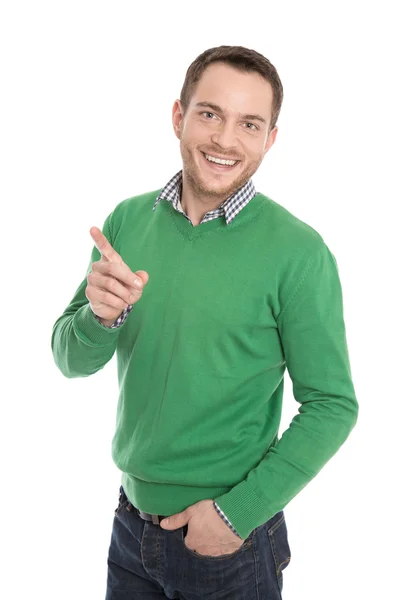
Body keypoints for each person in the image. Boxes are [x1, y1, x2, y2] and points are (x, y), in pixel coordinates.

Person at [51, 45, 359, 599]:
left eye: (249, 124)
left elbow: (333, 404)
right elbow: (71, 359)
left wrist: (237, 514)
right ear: (179, 116)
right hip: (129, 528)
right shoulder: (127, 219)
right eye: (210, 114)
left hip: (229, 547)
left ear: (270, 139)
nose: (224, 140)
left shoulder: (299, 252)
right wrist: (100, 317)